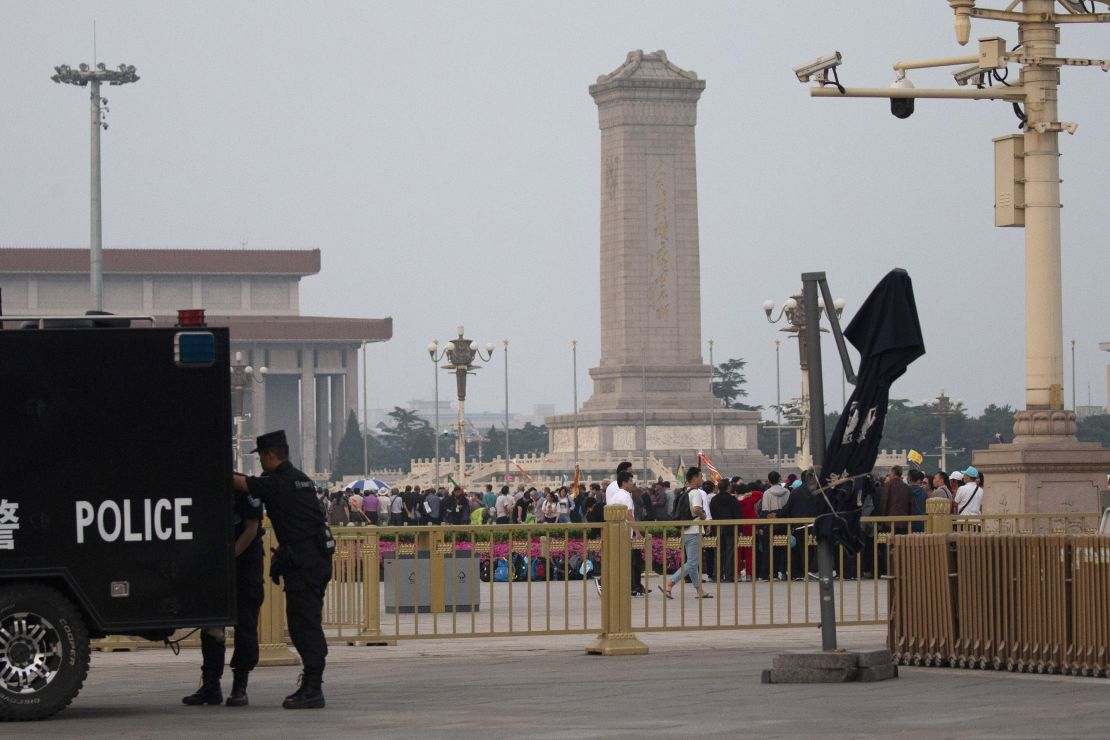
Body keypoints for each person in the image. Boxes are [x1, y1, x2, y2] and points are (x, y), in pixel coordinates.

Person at [232, 430, 334, 710]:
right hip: (311, 559)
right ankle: (312, 685)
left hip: (306, 564)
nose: (261, 462)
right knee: (305, 621)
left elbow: (242, 484)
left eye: (262, 457)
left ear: (270, 455)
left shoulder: (279, 483)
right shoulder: (299, 478)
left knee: (304, 625)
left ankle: (313, 688)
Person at [183, 463, 265, 707]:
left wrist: (229, 559)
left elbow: (251, 530)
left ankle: (240, 686)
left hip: (244, 566)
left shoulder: (247, 489)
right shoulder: (205, 491)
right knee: (211, 627)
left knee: (245, 626)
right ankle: (211, 686)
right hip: (217, 567)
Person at [659, 467, 711, 599]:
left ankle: (700, 591)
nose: (702, 479)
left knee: (692, 563)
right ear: (694, 478)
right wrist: (704, 516)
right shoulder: (697, 493)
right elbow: (696, 508)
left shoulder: (685, 492)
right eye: (700, 476)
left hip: (686, 530)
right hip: (694, 530)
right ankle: (670, 583)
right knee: (693, 563)